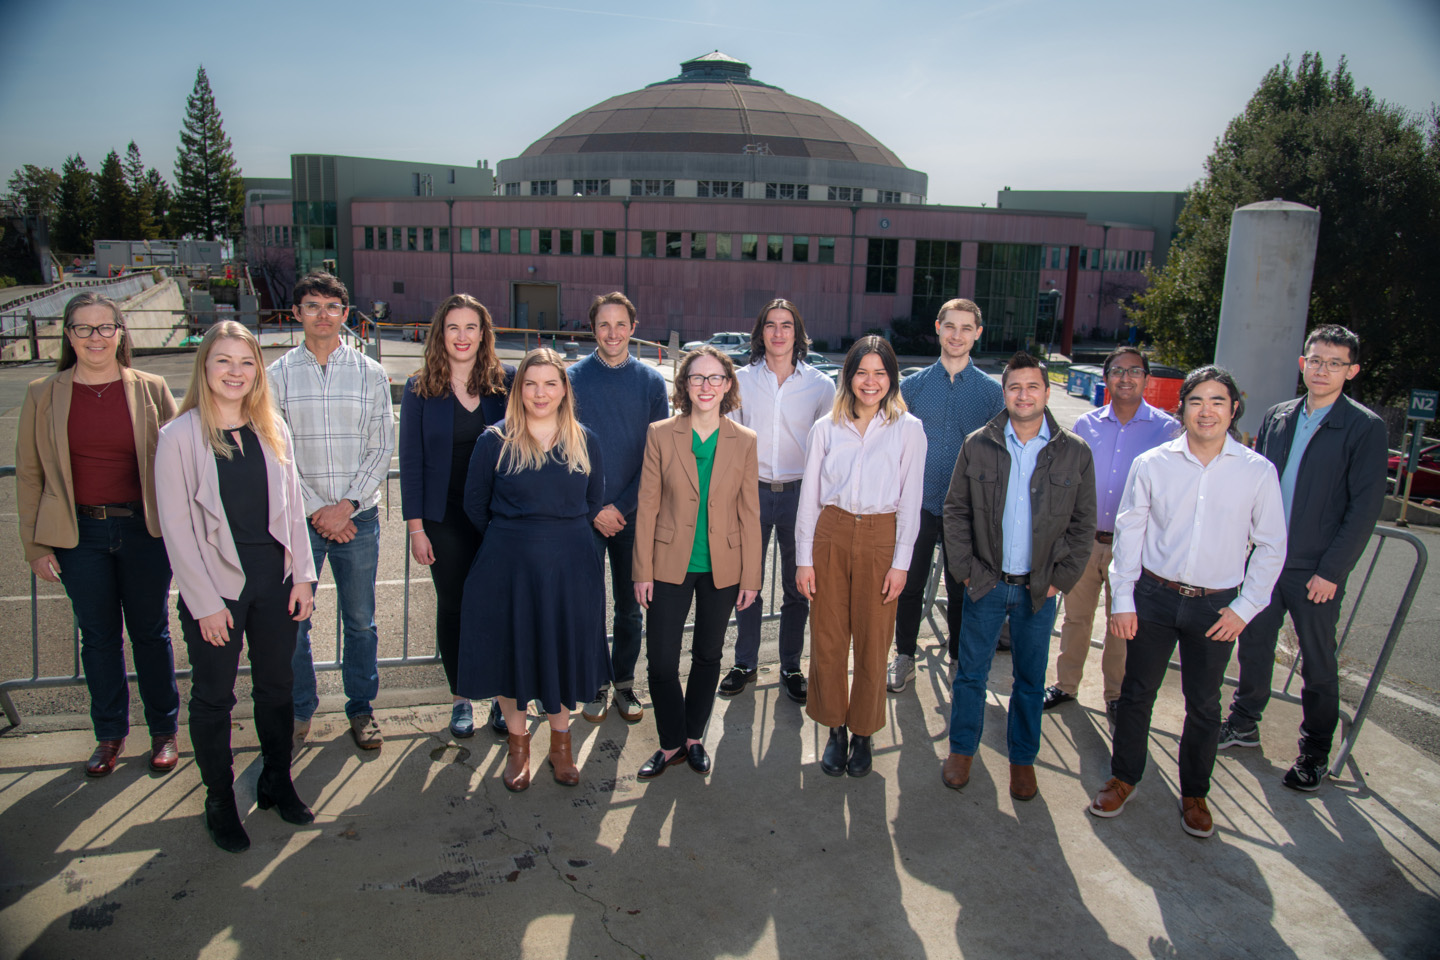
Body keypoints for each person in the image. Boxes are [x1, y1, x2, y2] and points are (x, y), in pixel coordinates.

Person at [1090, 366, 1286, 838]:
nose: (1207, 411)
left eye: (1218, 401)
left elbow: (1272, 545)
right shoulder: (1154, 463)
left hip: (1216, 607)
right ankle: (1124, 778)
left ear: (1233, 409)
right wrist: (1123, 600)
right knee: (1137, 695)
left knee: (1204, 704)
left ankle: (1195, 793)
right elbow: (1130, 532)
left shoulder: (1257, 472)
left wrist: (1245, 607)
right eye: (1197, 400)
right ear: (1182, 407)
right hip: (1154, 597)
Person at [154, 322, 319, 853]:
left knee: (276, 688)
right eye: (223, 361)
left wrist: (303, 577)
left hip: (275, 580)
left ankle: (276, 780)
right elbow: (177, 531)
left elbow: (294, 509)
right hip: (217, 587)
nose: (235, 372)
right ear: (204, 366)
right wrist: (203, 604)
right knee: (213, 698)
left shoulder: (272, 427)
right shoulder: (178, 436)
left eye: (246, 362)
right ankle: (220, 799)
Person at [15, 292, 180, 778]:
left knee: (151, 633)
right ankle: (109, 734)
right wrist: (35, 544)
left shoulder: (150, 388)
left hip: (144, 531)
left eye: (105, 327)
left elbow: (180, 464)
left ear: (120, 333)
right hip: (78, 534)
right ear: (68, 335)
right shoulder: (43, 393)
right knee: (99, 637)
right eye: (83, 328)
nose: (94, 338)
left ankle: (164, 732)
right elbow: (29, 475)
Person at [1219, 325, 1387, 790]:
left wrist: (1332, 570)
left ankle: (1314, 750)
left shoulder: (1365, 427)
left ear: (1351, 371)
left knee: (1317, 661)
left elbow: (1364, 508)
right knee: (1253, 647)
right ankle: (1244, 722)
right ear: (1302, 363)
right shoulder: (1278, 416)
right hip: (1265, 560)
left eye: (1335, 363)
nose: (1322, 369)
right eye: (1316, 359)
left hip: (1315, 569)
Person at [940, 353, 1096, 802]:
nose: (1023, 395)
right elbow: (956, 511)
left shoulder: (1075, 452)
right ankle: (962, 750)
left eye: (1033, 387)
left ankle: (1023, 759)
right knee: (971, 674)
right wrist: (967, 572)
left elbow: (1083, 525)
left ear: (1047, 393)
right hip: (986, 583)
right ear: (1004, 393)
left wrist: (1059, 580)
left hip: (1038, 590)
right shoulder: (978, 444)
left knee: (1029, 680)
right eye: (1015, 387)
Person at [456, 349, 609, 792]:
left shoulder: (585, 440)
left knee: (560, 651)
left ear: (564, 389)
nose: (540, 393)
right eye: (530, 383)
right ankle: (518, 746)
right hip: (509, 565)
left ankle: (561, 745)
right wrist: (513, 537)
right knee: (513, 651)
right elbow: (474, 504)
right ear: (518, 388)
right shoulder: (495, 441)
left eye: (550, 384)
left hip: (570, 564)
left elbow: (593, 502)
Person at [268, 271, 394, 751]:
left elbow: (380, 446)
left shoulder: (371, 373)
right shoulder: (276, 376)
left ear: (346, 314)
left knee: (360, 620)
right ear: (297, 313)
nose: (323, 315)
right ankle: (301, 708)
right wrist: (319, 510)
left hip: (357, 519)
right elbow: (276, 452)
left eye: (332, 307)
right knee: (294, 620)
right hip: (299, 521)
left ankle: (361, 708)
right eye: (312, 306)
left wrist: (345, 507)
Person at [795, 336, 926, 778]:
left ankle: (864, 732)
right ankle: (834, 727)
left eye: (880, 372)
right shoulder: (825, 428)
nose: (870, 382)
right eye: (862, 372)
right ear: (848, 376)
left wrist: (902, 562)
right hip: (830, 532)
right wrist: (803, 559)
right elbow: (809, 498)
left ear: (892, 378)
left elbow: (911, 500)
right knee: (828, 639)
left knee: (873, 641)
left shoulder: (910, 429)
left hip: (880, 537)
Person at [632, 346, 761, 779]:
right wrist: (641, 570)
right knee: (662, 661)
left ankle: (692, 737)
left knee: (708, 655)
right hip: (669, 562)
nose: (706, 386)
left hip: (723, 566)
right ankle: (669, 743)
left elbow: (750, 513)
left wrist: (752, 576)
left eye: (715, 378)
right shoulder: (660, 433)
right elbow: (647, 506)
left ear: (728, 386)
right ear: (684, 385)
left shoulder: (744, 441)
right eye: (697, 378)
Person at [400, 294, 514, 740]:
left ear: (483, 333)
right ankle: (462, 698)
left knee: (501, 607)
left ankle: (505, 698)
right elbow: (410, 462)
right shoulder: (419, 388)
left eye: (471, 327)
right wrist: (415, 528)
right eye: (453, 327)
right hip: (443, 516)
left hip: (497, 515)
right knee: (455, 605)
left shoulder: (505, 382)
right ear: (440, 334)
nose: (462, 336)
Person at [1044, 346, 1178, 721]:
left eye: (1134, 371)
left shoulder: (1166, 429)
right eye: (1118, 371)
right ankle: (1066, 685)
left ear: (1146, 379)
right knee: (1075, 618)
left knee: (1122, 622)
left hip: (1133, 546)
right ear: (1106, 378)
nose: (1126, 378)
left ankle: (1115, 694)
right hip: (1086, 539)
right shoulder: (1087, 424)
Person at [721, 298, 834, 704]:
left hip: (800, 495)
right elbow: (730, 442)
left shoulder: (822, 387)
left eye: (787, 325)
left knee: (798, 585)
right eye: (771, 325)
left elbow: (828, 449)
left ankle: (790, 665)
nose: (779, 332)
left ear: (798, 333)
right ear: (761, 332)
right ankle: (745, 663)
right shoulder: (739, 381)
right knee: (745, 581)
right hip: (751, 492)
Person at [890, 298, 1004, 692]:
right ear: (938, 328)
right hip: (917, 505)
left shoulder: (992, 394)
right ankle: (904, 654)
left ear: (977, 334)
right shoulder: (913, 386)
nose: (957, 335)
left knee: (962, 589)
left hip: (966, 511)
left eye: (966, 328)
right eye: (950, 326)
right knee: (909, 583)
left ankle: (958, 658)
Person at [567, 292, 669, 725]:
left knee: (630, 606)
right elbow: (563, 448)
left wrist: (622, 506)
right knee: (586, 605)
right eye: (604, 324)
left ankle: (624, 682)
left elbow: (657, 454)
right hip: (584, 515)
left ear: (633, 326)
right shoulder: (570, 378)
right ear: (593, 328)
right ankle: (593, 683)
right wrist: (594, 507)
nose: (612, 332)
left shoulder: (650, 382)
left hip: (633, 515)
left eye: (620, 324)